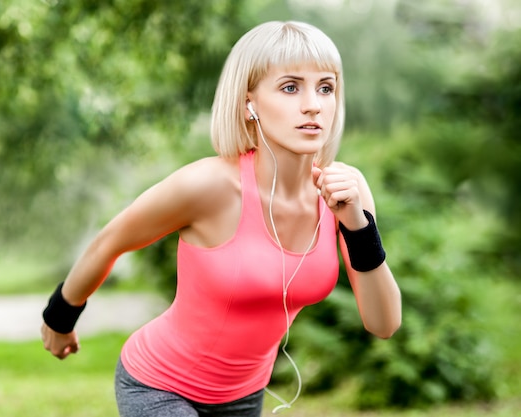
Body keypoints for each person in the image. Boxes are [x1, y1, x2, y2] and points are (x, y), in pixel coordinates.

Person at [41, 20, 402, 417]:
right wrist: (60, 316)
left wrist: (357, 223)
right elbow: (111, 240)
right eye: (290, 87)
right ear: (249, 103)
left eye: (326, 87)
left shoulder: (347, 192)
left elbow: (383, 324)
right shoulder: (209, 185)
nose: (313, 104)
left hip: (244, 397)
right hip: (158, 384)